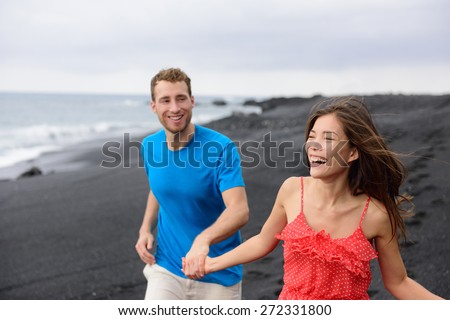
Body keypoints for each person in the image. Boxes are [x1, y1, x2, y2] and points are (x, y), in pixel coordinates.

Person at [183, 97, 444, 300]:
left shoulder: (375, 215)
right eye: (311, 137)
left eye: (328, 138)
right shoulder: (292, 190)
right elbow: (264, 241)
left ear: (353, 153)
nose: (314, 145)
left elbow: (397, 282)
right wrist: (211, 263)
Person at [135, 68, 249, 300]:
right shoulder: (149, 146)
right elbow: (158, 188)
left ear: (192, 101)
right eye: (165, 100)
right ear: (154, 106)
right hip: (167, 268)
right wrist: (145, 228)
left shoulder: (220, 148)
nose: (175, 108)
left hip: (217, 270)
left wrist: (203, 240)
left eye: (181, 98)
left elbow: (239, 210)